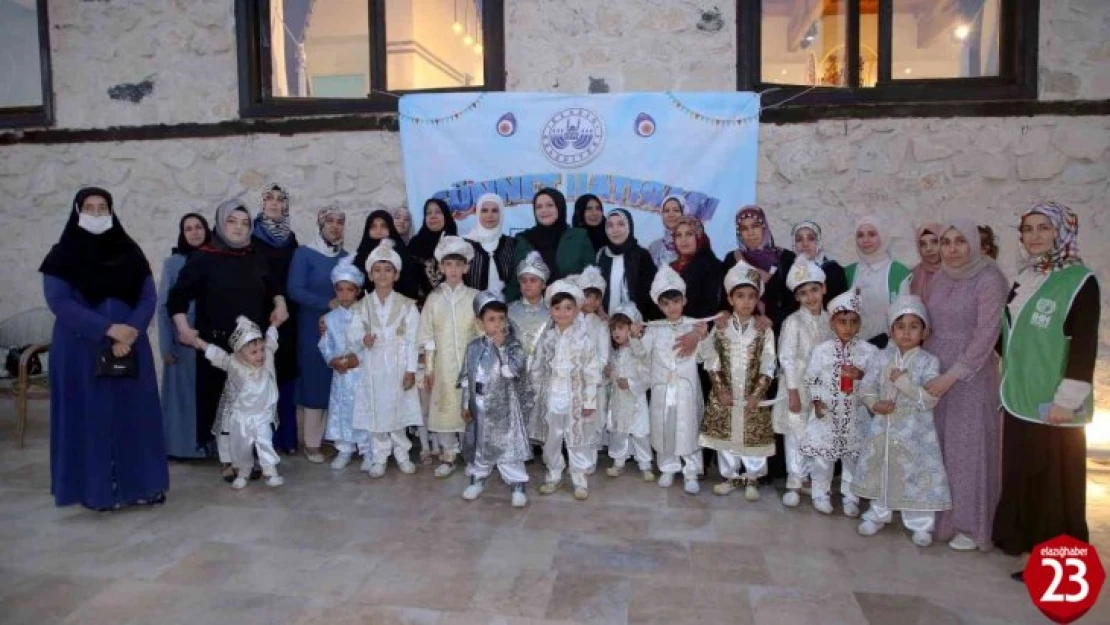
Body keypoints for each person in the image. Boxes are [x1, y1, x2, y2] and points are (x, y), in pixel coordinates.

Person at [40, 187, 168, 510]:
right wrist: (108, 329)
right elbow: (59, 301)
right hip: (81, 349)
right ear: (77, 211)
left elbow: (148, 297)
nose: (96, 214)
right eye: (90, 208)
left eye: (102, 208)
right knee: (91, 418)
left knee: (136, 418)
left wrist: (131, 332)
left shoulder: (130, 251)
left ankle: (143, 486)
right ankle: (97, 492)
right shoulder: (62, 254)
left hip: (131, 347)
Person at [993, 203, 1099, 576]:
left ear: (1061, 233)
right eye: (1028, 229)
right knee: (1025, 472)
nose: (1034, 236)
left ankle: (1058, 563)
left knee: (1055, 483)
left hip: (1054, 403)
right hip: (1021, 395)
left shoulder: (1080, 281)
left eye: (1043, 228)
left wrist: (1066, 400)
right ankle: (1021, 541)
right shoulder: (1027, 277)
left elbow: (1083, 345)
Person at [167, 199, 288, 481]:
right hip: (218, 344)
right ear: (220, 224)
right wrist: (183, 328)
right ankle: (228, 459)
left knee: (253, 403)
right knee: (224, 406)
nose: (238, 228)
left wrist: (279, 304)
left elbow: (273, 286)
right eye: (232, 221)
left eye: (245, 223)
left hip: (253, 346)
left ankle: (252, 455)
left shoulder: (255, 254)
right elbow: (177, 298)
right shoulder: (203, 257)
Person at [923, 218, 1008, 552]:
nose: (952, 249)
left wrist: (953, 375)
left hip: (969, 375)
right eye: (946, 242)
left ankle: (969, 525)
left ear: (973, 243)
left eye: (960, 241)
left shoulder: (989, 278)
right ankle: (942, 517)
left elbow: (987, 332)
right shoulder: (941, 276)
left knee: (967, 448)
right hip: (936, 366)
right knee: (941, 445)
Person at [855, 295, 951, 547]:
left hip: (916, 432)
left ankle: (920, 524)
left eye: (914, 326)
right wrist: (875, 404)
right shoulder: (881, 358)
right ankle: (877, 514)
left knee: (914, 474)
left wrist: (904, 383)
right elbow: (865, 387)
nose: (906, 332)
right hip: (883, 428)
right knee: (882, 469)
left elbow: (929, 399)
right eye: (901, 326)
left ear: (924, 332)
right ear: (891, 331)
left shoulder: (929, 362)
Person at [700, 261, 777, 501]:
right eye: (740, 296)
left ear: (757, 300)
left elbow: (769, 362)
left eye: (751, 296)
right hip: (726, 393)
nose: (746, 301)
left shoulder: (764, 329)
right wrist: (720, 390)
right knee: (727, 438)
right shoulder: (721, 327)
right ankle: (731, 476)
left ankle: (752, 478)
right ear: (730, 299)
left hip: (753, 394)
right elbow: (711, 358)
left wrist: (757, 393)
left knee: (752, 437)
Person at [630, 266, 709, 495]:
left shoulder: (695, 325)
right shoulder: (654, 328)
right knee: (664, 427)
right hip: (662, 388)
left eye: (676, 301)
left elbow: (705, 357)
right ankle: (668, 467)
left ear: (684, 300)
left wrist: (703, 335)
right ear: (658, 305)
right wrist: (635, 336)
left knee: (688, 427)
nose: (671, 307)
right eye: (665, 303)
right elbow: (641, 353)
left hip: (685, 388)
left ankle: (691, 471)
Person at [799, 288, 878, 517]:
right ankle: (820, 494)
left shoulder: (869, 352)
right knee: (823, 459)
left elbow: (876, 383)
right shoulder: (822, 351)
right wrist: (816, 401)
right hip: (827, 415)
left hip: (855, 416)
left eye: (854, 322)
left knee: (852, 459)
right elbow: (810, 379)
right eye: (842, 321)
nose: (848, 327)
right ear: (833, 323)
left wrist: (861, 376)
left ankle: (851, 497)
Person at [348, 239, 423, 477]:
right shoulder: (362, 306)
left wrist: (411, 370)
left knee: (398, 411)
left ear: (396, 274)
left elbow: (413, 340)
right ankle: (379, 456)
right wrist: (363, 339)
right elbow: (353, 333)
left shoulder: (407, 305)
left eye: (388, 269)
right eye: (377, 270)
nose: (382, 274)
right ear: (370, 275)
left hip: (398, 366)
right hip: (373, 367)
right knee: (376, 413)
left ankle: (402, 454)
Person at [459, 292, 535, 507]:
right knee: (482, 447)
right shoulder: (473, 347)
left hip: (504, 408)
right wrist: (466, 403)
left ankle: (517, 483)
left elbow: (512, 371)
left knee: (507, 447)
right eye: (491, 319)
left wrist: (501, 348)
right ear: (480, 322)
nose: (497, 324)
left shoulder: (513, 347)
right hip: (480, 406)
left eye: (501, 318)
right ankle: (478, 478)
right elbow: (466, 378)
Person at [529, 279, 603, 501]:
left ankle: (579, 479)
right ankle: (553, 473)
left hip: (575, 398)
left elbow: (592, 371)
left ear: (577, 309)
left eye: (568, 308)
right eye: (557, 308)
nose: (562, 313)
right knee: (552, 439)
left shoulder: (583, 339)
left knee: (576, 439)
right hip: (551, 397)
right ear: (550, 310)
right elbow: (537, 367)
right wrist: (536, 393)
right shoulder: (546, 338)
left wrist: (589, 401)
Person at [286, 205, 348, 464]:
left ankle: (329, 437)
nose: (335, 226)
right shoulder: (304, 254)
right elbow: (295, 289)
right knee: (315, 381)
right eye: (330, 221)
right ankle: (311, 443)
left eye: (340, 222)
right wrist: (328, 303)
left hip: (340, 331)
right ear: (320, 225)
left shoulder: (346, 256)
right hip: (313, 329)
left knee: (336, 382)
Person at [194, 317, 284, 490]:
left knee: (265, 442)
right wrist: (199, 342)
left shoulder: (268, 359)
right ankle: (243, 472)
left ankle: (270, 471)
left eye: (261, 350)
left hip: (262, 415)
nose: (260, 355)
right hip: (241, 417)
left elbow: (271, 340)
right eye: (254, 352)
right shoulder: (234, 365)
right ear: (240, 354)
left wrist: (274, 325)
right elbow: (218, 355)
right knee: (241, 449)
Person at [418, 236, 479, 478]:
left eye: (458, 264)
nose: (453, 270)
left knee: (468, 410)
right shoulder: (433, 299)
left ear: (466, 267)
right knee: (444, 410)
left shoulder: (476, 296)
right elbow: (427, 335)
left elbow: (482, 331)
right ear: (441, 267)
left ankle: (471, 455)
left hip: (469, 365)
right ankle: (448, 455)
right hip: (442, 368)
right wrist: (429, 370)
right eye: (448, 264)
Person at [772, 258, 830, 508]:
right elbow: (786, 357)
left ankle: (818, 488)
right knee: (795, 437)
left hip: (824, 390)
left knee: (819, 437)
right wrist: (793, 392)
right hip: (796, 388)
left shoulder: (832, 321)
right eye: (803, 293)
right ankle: (795, 482)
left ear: (824, 289)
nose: (810, 297)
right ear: (796, 297)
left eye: (814, 290)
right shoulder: (792, 322)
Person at [250, 184, 301, 454]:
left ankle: (288, 439)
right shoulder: (251, 238)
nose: (274, 204)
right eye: (268, 198)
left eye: (280, 200)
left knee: (286, 376)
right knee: (263, 376)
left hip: (288, 319)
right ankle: (264, 439)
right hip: (262, 314)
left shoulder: (291, 239)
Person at [158, 212, 211, 459]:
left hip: (211, 336)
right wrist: (165, 345)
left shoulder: (217, 259)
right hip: (182, 339)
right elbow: (163, 305)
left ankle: (210, 446)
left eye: (198, 227)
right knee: (183, 397)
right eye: (188, 228)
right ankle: (182, 448)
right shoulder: (173, 263)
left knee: (209, 394)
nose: (194, 232)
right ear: (182, 233)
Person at [321, 257, 371, 471]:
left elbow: (370, 343)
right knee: (342, 410)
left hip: (361, 372)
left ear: (358, 291)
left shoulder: (365, 314)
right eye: (340, 290)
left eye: (349, 290)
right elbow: (326, 343)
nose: (344, 295)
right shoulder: (330, 318)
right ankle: (344, 449)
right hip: (341, 374)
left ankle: (368, 450)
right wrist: (332, 360)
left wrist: (356, 358)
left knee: (363, 409)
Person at [507, 188, 594, 300]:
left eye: (550, 205)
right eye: (539, 207)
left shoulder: (579, 237)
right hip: (534, 312)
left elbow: (592, 279)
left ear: (560, 207)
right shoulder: (523, 239)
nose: (544, 210)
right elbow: (515, 282)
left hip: (572, 310)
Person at [721, 205, 794, 334]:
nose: (750, 233)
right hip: (742, 332)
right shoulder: (732, 259)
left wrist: (772, 319)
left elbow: (795, 300)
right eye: (744, 228)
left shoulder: (785, 258)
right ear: (739, 233)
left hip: (780, 332)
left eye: (755, 226)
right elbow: (724, 299)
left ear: (764, 227)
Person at [845, 216, 911, 348]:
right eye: (860, 235)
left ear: (882, 236)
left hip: (889, 346)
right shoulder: (848, 272)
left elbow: (904, 315)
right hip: (854, 346)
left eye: (872, 234)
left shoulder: (898, 271)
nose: (865, 240)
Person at [605, 304, 653, 481]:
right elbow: (612, 378)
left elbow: (647, 376)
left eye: (621, 328)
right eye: (613, 329)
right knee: (619, 431)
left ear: (631, 329)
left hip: (636, 399)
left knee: (639, 432)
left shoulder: (638, 351)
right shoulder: (614, 353)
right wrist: (609, 374)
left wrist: (631, 383)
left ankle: (645, 464)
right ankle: (618, 461)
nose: (616, 333)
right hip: (618, 399)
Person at [570, 266, 611, 435]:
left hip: (593, 377)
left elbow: (604, 354)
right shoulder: (570, 321)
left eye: (596, 298)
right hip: (572, 375)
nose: (592, 302)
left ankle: (591, 452)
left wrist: (592, 370)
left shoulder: (601, 325)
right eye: (587, 296)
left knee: (593, 415)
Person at [597, 208, 658, 319]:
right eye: (610, 225)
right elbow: (596, 289)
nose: (615, 230)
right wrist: (599, 310)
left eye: (621, 224)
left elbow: (650, 294)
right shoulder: (602, 255)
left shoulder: (642, 255)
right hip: (604, 323)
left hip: (635, 324)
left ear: (629, 226)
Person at [351, 209, 424, 301]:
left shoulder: (401, 253)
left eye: (383, 226)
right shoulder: (360, 257)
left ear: (390, 228)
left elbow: (410, 284)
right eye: (373, 226)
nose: (379, 230)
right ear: (367, 230)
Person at [464, 193, 517, 296]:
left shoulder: (511, 244)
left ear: (501, 213)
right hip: (471, 307)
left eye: (495, 210)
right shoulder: (464, 243)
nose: (489, 215)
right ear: (478, 212)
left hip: (506, 307)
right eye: (484, 210)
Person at [671, 216, 721, 320]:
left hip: (702, 329)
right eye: (678, 235)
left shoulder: (712, 266)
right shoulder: (671, 268)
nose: (683, 240)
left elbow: (711, 308)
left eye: (689, 234)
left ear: (699, 237)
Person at [408, 198, 458, 297]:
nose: (433, 216)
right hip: (424, 306)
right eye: (428, 213)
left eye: (438, 212)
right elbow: (410, 278)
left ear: (446, 216)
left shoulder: (456, 243)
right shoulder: (415, 244)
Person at [790, 221, 847, 306]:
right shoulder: (790, 272)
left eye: (811, 239)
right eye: (799, 240)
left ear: (819, 242)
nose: (805, 244)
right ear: (794, 245)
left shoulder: (833, 270)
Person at [508, 251, 551, 359]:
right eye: (524, 281)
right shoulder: (508, 310)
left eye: (533, 280)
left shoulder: (553, 311)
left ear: (543, 284)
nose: (528, 284)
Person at [647, 195, 686, 267]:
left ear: (683, 213)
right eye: (666, 211)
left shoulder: (692, 246)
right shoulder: (654, 247)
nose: (671, 215)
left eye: (676, 210)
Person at [909, 222, 942, 303]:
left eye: (934, 242)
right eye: (923, 244)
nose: (929, 248)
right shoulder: (914, 275)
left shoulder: (955, 272)